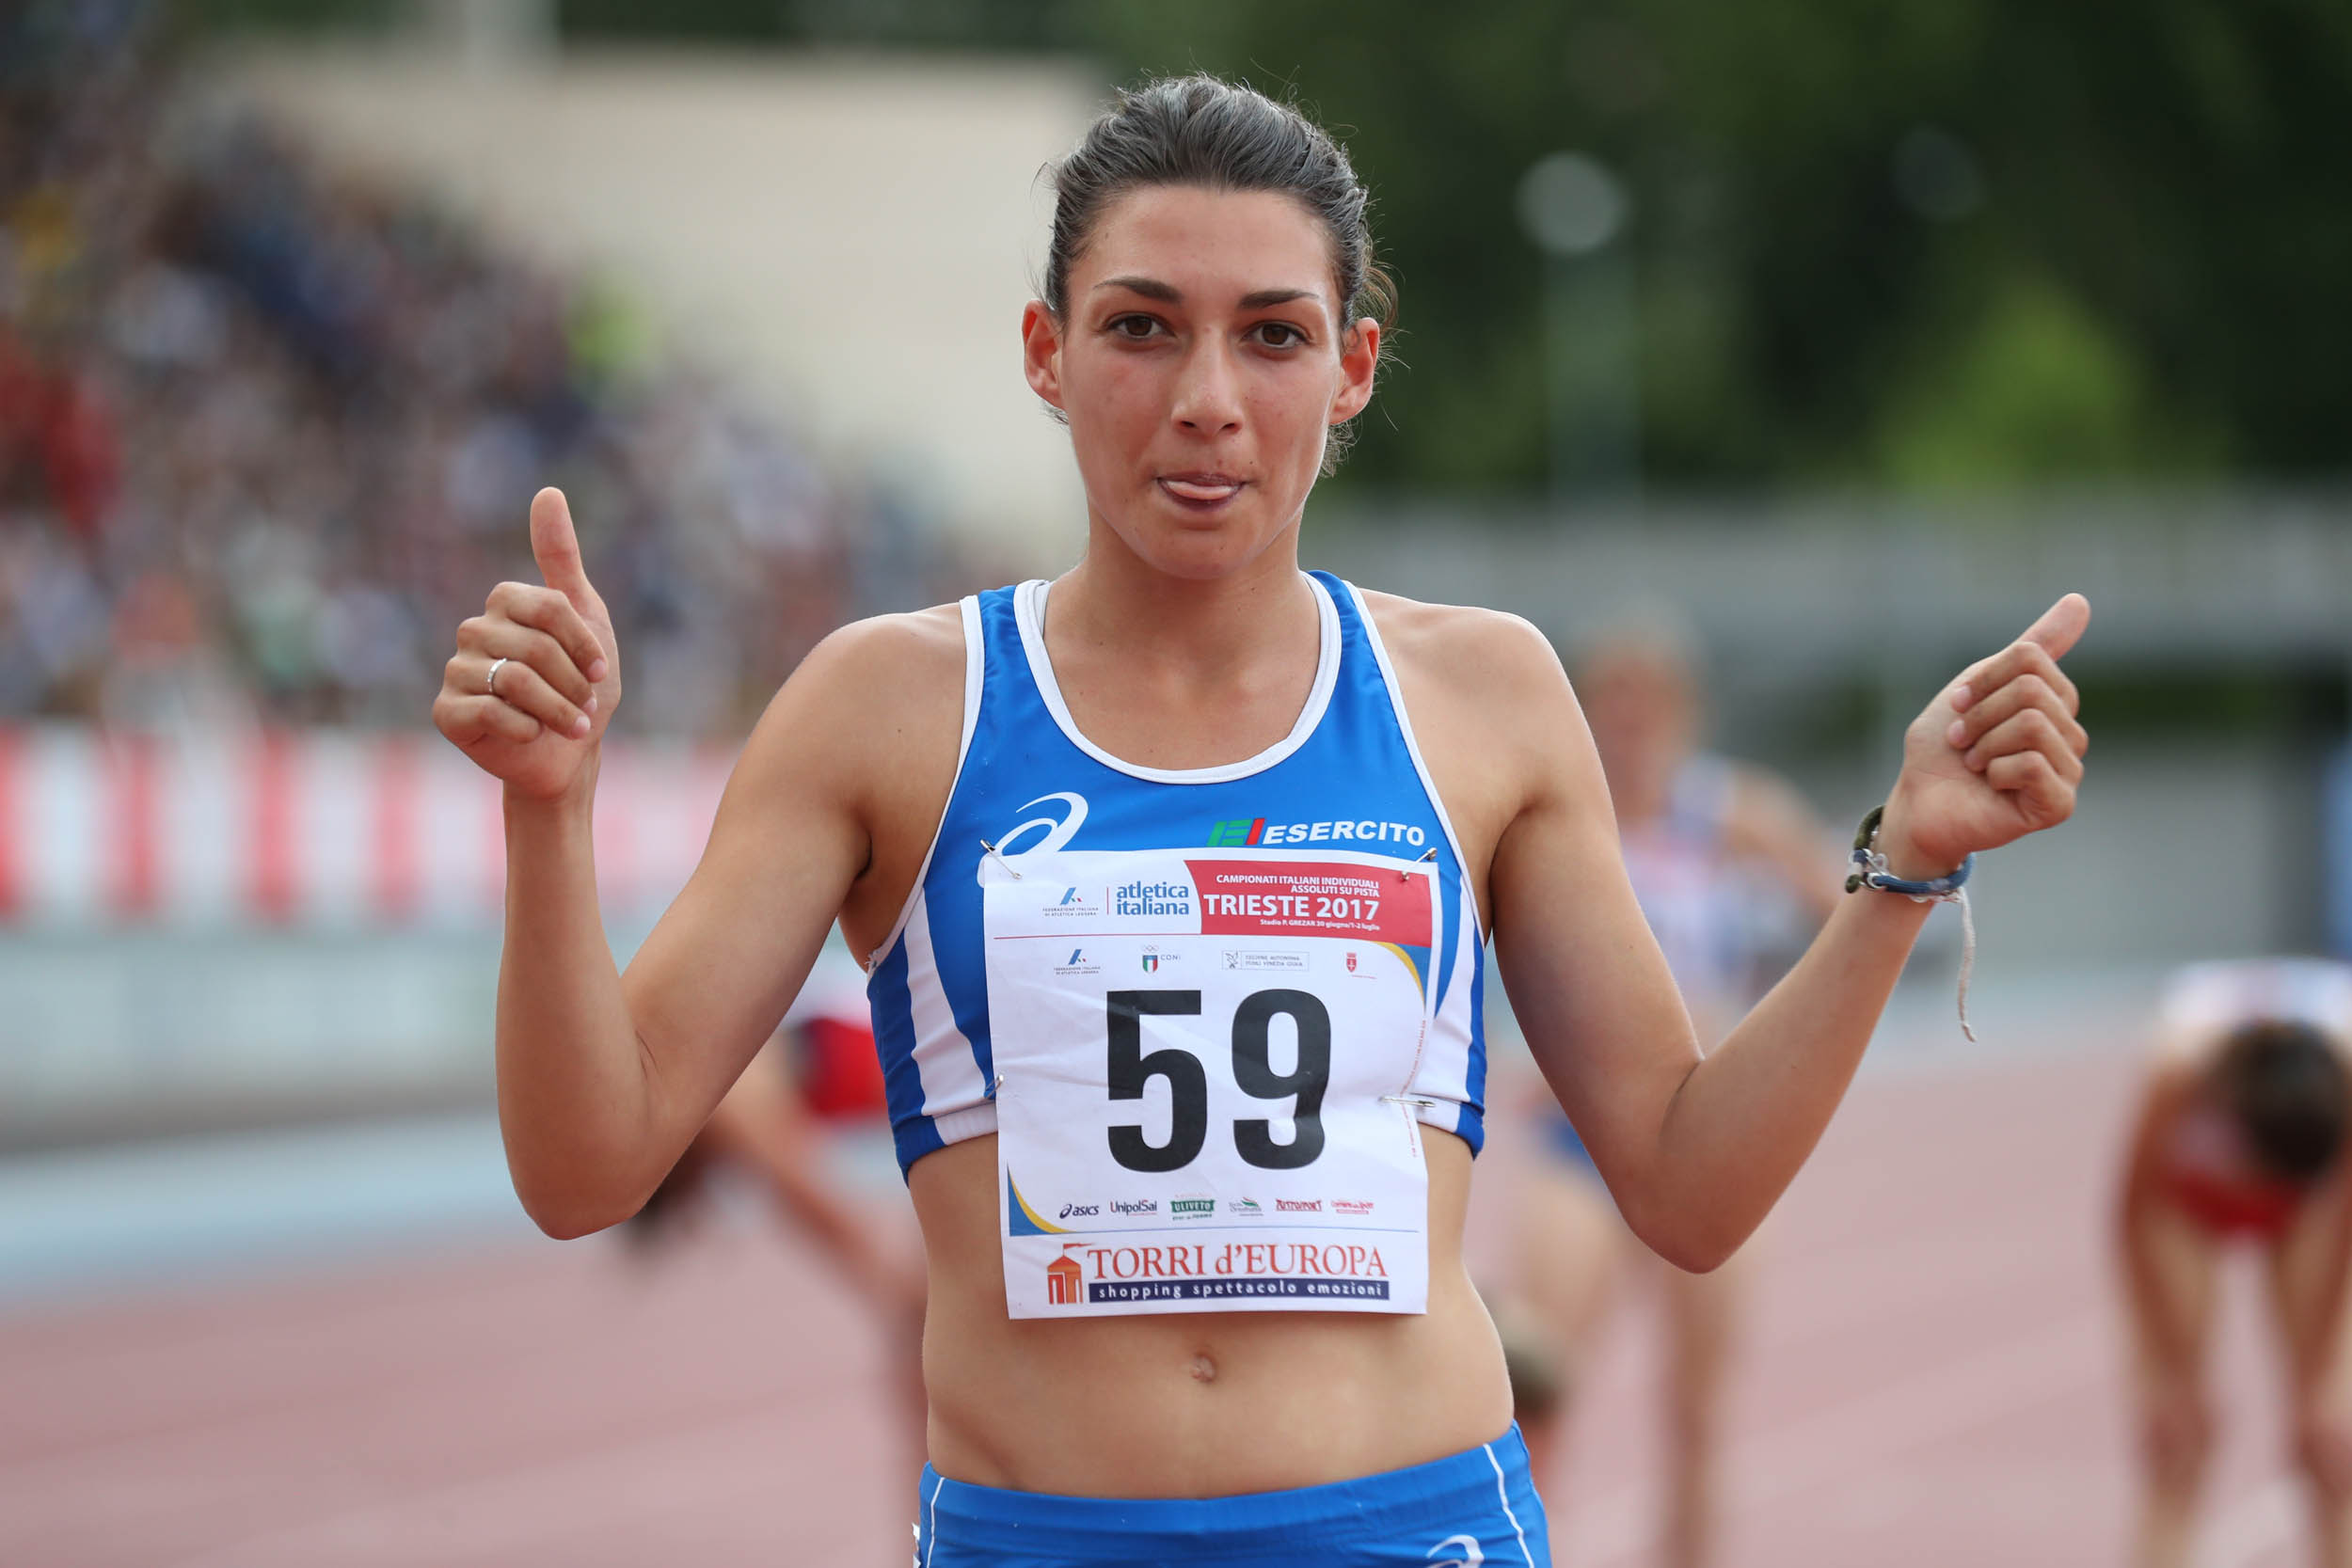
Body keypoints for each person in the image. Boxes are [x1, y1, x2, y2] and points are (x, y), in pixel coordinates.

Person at [431, 75, 2090, 1567]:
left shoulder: (1484, 696)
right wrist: (547, 814)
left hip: (1417, 1529)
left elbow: (1685, 1182)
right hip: (1038, 1537)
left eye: (1274, 335)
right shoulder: (888, 706)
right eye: (1143, 326)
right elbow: (587, 1166)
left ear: (1352, 366)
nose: (1208, 397)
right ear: (1046, 351)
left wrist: (1903, 865)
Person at [1507, 623, 1838, 1567]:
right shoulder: (1554, 809)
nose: (1629, 720)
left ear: (1685, 713)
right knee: (1533, 1388)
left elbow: (1843, 909)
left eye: (1648, 701)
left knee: (1695, 1412)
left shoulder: (1731, 816)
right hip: (1577, 1140)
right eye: (1612, 700)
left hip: (1707, 1128)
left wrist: (1760, 1027)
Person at [622, 942, 929, 1466]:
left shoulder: (728, 1095)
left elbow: (819, 1209)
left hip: (963, 1048)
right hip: (949, 1065)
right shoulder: (734, 1070)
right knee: (923, 1361)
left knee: (923, 1359)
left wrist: (899, 1301)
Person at [2120, 958, 2352, 1568]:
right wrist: (2173, 1377)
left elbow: (2344, 1233)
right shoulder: (2178, 1065)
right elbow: (2133, 1213)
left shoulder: (2347, 1075)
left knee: (2334, 1446)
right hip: (2184, 1204)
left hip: (2311, 1213)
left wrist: (2318, 1388)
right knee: (2178, 1443)